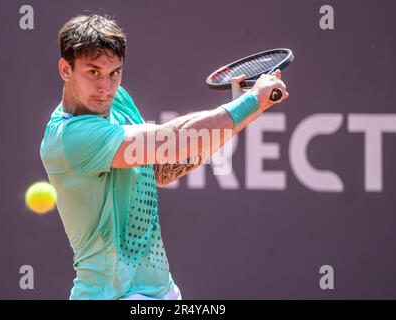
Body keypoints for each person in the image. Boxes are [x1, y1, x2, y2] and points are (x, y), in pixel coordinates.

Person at [40, 14, 289, 300]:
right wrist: (250, 101)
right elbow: (172, 140)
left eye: (114, 73)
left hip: (162, 292)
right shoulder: (70, 138)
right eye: (93, 72)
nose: (105, 88)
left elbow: (162, 168)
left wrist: (245, 112)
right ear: (65, 69)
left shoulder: (118, 98)